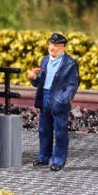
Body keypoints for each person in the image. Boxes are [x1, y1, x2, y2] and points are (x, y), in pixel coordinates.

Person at [27, 32, 80, 171]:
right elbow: (40, 81)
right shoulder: (45, 60)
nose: (52, 47)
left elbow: (72, 85)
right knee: (44, 129)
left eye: (56, 45)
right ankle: (44, 157)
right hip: (44, 96)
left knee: (60, 131)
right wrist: (33, 77)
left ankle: (58, 160)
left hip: (58, 99)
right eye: (51, 44)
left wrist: (63, 99)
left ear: (63, 47)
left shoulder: (69, 64)